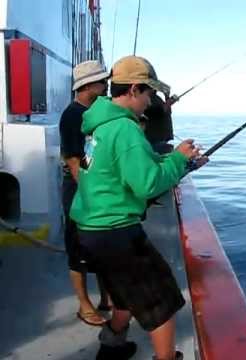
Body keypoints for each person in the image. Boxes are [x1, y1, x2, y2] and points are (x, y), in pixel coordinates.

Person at [70, 55, 205, 360]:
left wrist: (180, 162)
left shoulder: (102, 124)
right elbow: (147, 184)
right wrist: (180, 159)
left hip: (91, 229)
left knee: (123, 295)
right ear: (133, 89)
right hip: (114, 231)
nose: (151, 101)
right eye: (148, 93)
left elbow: (136, 164)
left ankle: (112, 349)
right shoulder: (126, 129)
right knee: (163, 300)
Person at [59, 60, 111, 327]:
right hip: (78, 188)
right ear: (89, 85)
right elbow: (72, 159)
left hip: (93, 187)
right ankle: (84, 304)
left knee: (101, 245)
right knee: (76, 247)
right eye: (103, 82)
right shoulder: (72, 114)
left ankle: (106, 298)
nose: (106, 86)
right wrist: (90, 193)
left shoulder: (98, 112)